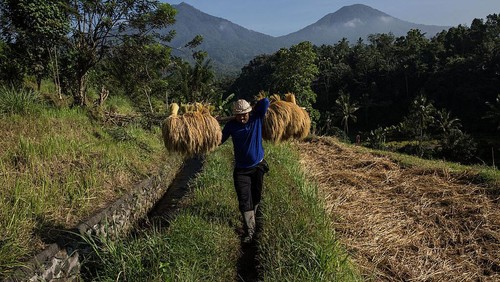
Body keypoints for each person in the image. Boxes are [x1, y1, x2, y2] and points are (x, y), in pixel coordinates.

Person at [221, 97, 270, 243]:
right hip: (241, 170)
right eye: (239, 114)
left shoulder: (257, 118)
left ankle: (254, 219)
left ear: (249, 112)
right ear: (234, 115)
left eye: (244, 114)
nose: (242, 117)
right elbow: (219, 140)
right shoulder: (231, 126)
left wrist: (253, 108)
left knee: (256, 196)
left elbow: (266, 102)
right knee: (244, 199)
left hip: (258, 166)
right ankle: (250, 231)